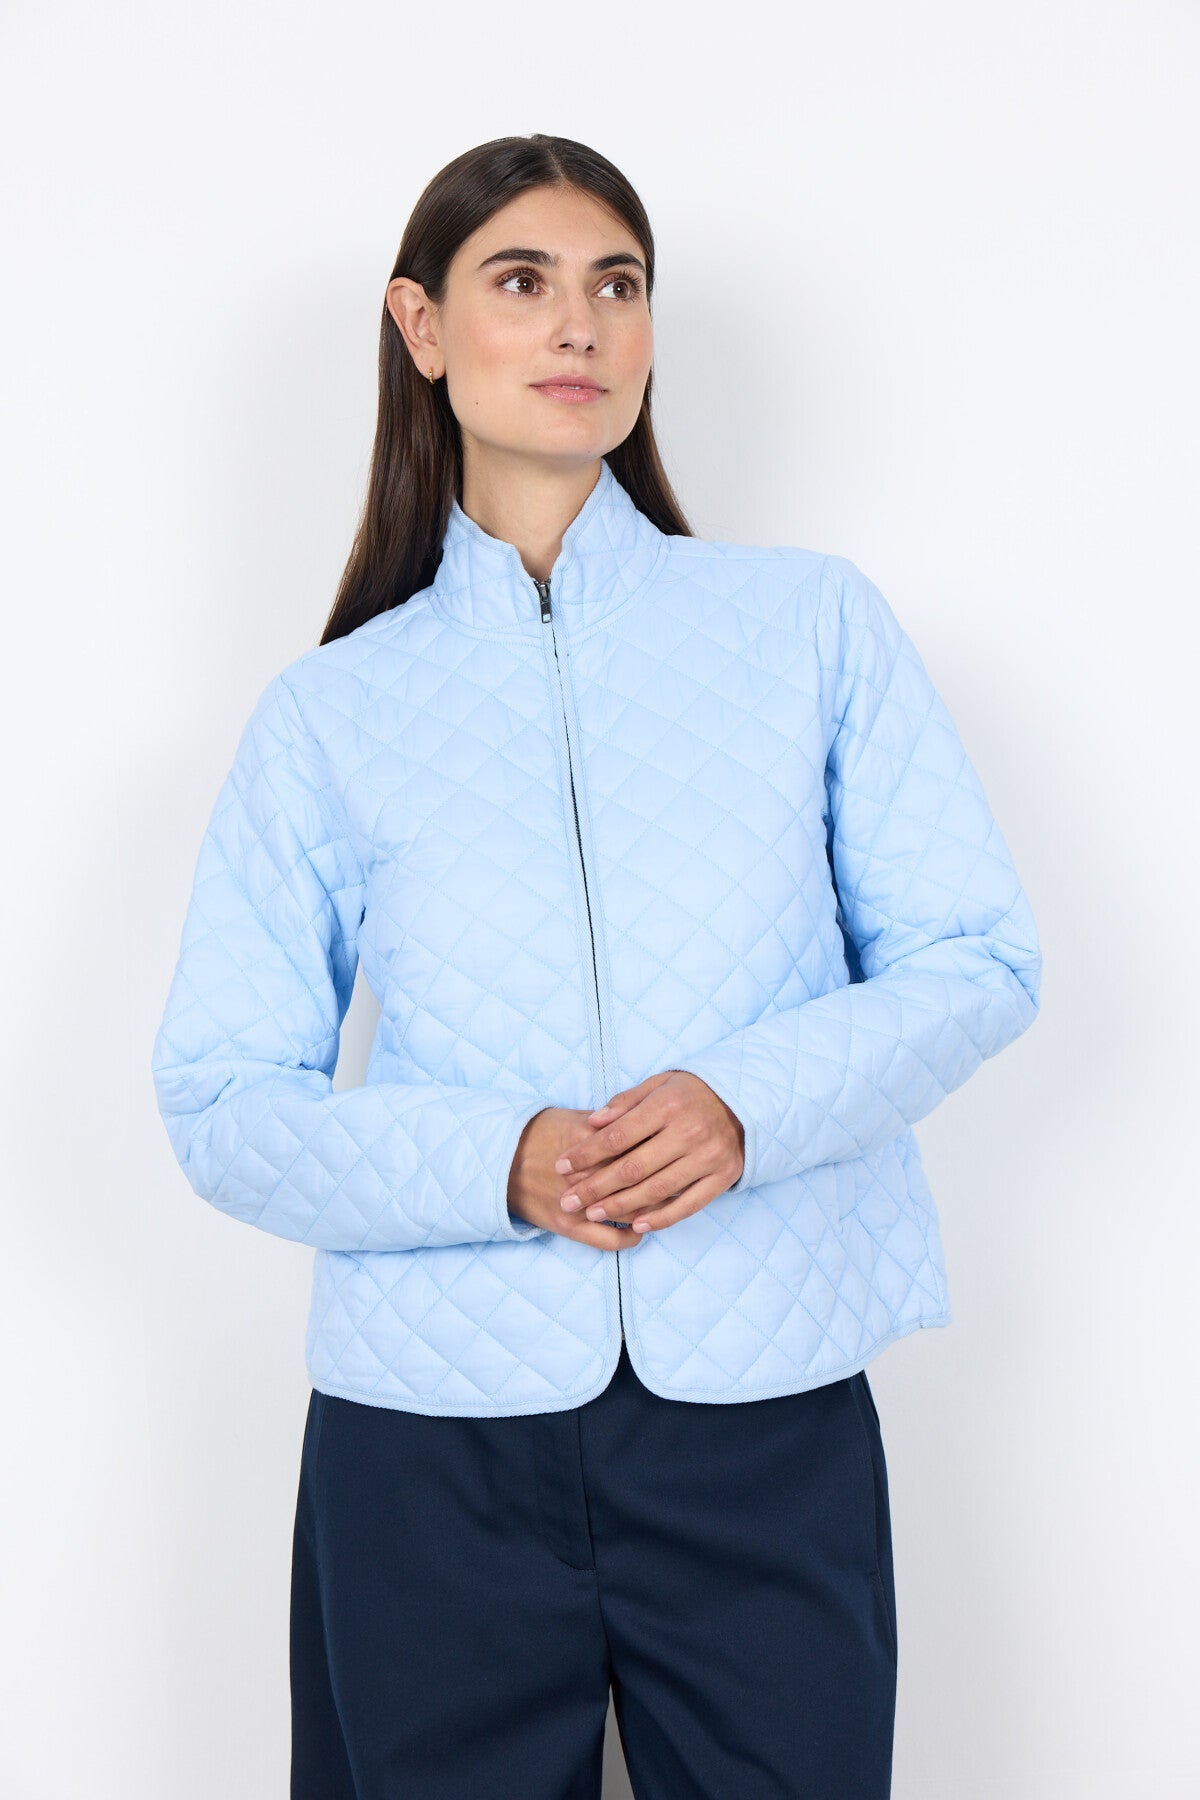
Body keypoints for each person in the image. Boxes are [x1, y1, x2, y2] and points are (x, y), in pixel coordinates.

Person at [150, 133, 1042, 1800]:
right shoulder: (331, 714)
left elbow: (974, 955)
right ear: (422, 328)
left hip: (763, 1411)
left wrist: (743, 1106)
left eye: (616, 286)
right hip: (430, 1440)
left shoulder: (810, 628)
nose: (580, 325)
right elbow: (219, 1100)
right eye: (524, 281)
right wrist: (496, 1159)